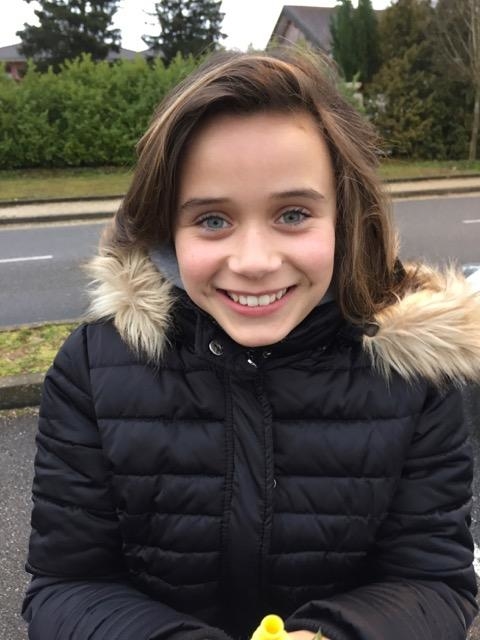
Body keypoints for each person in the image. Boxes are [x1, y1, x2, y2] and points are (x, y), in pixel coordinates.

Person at [22, 48, 480, 640]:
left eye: (293, 214)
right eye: (212, 220)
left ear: (346, 218)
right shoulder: (93, 368)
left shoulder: (417, 374)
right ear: (165, 229)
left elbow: (433, 581)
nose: (255, 262)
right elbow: (67, 584)